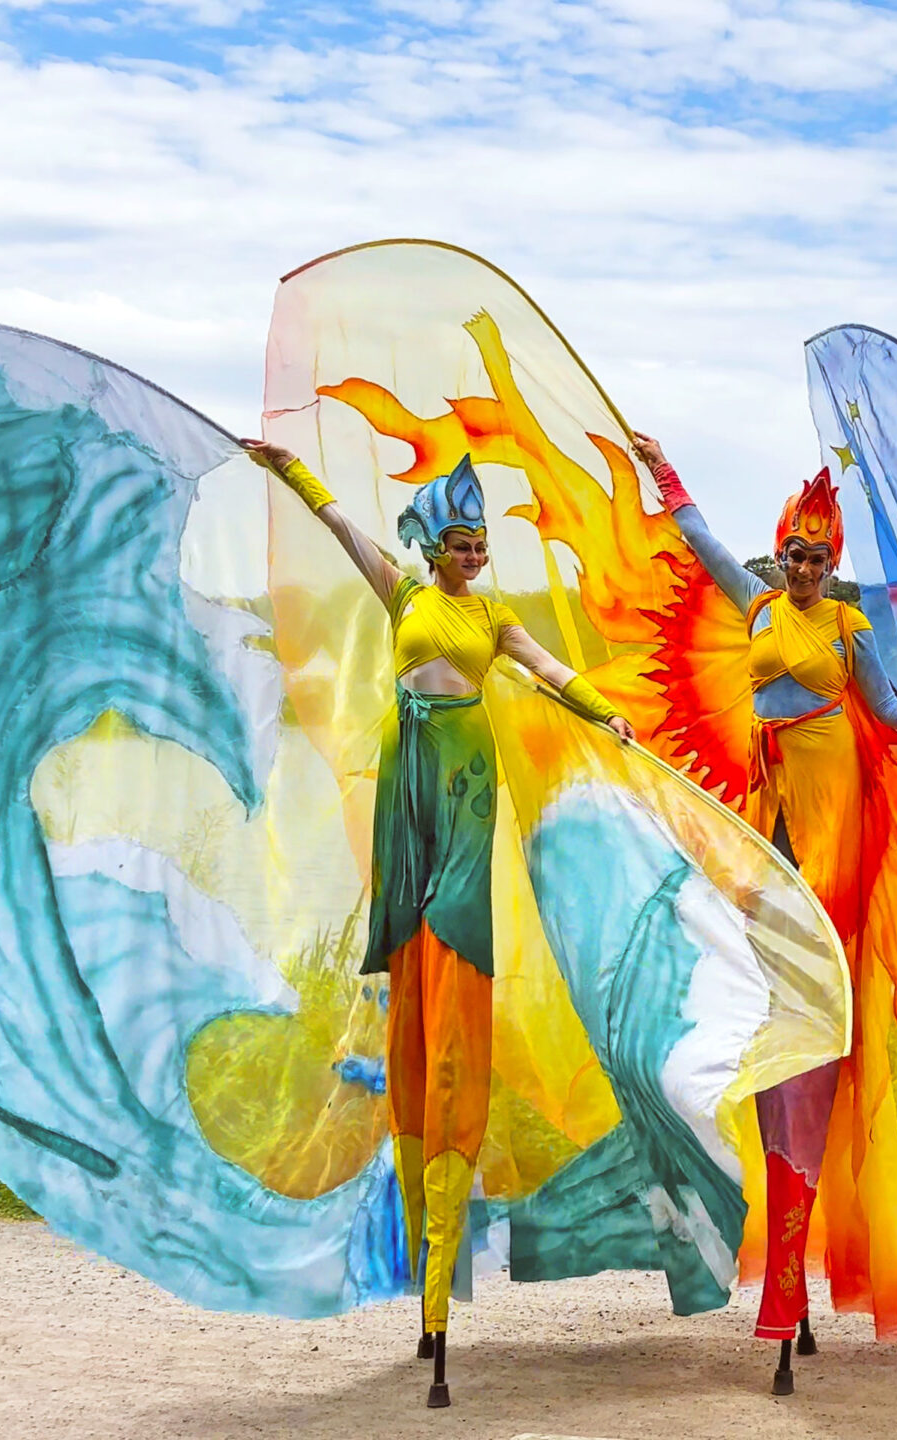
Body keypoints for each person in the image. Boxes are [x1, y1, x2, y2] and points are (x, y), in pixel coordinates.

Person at [243, 439, 632, 1409]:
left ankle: (440, 1278)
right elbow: (339, 531)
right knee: (406, 949)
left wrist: (602, 715)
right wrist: (293, 472)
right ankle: (424, 1254)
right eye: (456, 541)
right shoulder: (403, 595)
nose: (468, 554)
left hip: (461, 784)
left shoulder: (492, 618)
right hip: (405, 785)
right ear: (434, 546)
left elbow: (544, 670)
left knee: (453, 952)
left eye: (477, 543)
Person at [631, 432, 897, 1395]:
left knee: (817, 1045)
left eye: (820, 557)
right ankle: (780, 1257)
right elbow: (699, 539)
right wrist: (666, 472)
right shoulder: (756, 609)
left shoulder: (847, 633)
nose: (807, 567)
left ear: (833, 566)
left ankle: (790, 1280)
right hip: (764, 834)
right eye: (796, 552)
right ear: (782, 553)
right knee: (764, 1036)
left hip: (833, 839)